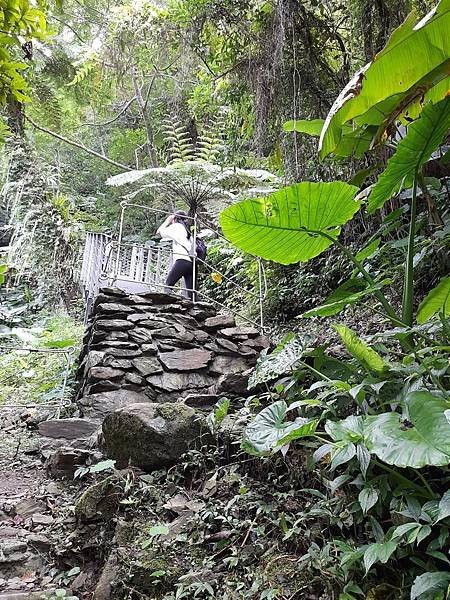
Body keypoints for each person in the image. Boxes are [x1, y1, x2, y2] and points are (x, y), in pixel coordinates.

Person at [157, 210, 194, 300]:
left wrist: (167, 221)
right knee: (192, 293)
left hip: (182, 261)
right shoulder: (188, 231)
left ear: (175, 219)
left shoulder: (176, 227)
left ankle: (166, 308)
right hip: (192, 263)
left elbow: (159, 233)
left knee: (168, 285)